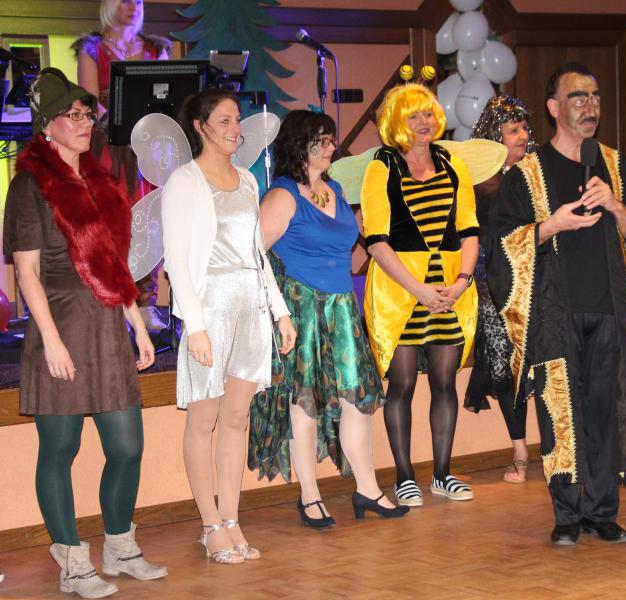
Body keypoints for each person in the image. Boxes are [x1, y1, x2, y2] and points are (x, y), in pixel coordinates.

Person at [487, 62, 626, 545]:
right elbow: (500, 246)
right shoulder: (527, 175)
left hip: (610, 308)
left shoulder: (615, 166)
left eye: (595, 97)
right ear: (553, 107)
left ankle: (602, 512)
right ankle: (567, 516)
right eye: (578, 97)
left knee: (606, 411)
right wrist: (552, 225)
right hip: (555, 313)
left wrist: (615, 206)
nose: (590, 106)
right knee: (560, 413)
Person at [3, 68, 165, 598]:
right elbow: (26, 273)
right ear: (46, 125)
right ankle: (72, 560)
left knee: (127, 446)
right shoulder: (30, 184)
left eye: (87, 114)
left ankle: (119, 546)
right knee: (60, 449)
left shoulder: (99, 182)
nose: (83, 122)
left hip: (107, 328)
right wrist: (50, 341)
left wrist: (138, 323)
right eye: (71, 114)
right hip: (61, 326)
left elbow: (115, 264)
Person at [248, 109, 408, 525]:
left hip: (341, 308)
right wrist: (278, 313)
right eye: (320, 140)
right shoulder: (283, 195)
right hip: (302, 309)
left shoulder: (334, 188)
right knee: (305, 404)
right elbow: (253, 257)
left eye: (331, 139)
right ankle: (309, 496)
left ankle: (367, 489)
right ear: (298, 145)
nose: (330, 147)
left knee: (358, 400)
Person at [162, 88, 296, 564]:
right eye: (224, 120)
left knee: (237, 418)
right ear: (200, 127)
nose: (235, 129)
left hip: (250, 307)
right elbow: (177, 259)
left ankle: (232, 519)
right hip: (210, 308)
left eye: (236, 120)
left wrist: (280, 311)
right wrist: (194, 325)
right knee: (204, 420)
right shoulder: (184, 181)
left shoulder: (247, 180)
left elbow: (256, 253)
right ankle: (210, 524)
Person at [361, 83, 479, 506]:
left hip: (449, 287)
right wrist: (418, 290)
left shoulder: (451, 163)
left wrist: (461, 281)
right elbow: (376, 241)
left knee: (445, 381)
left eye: (428, 113)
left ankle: (443, 473)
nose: (424, 122)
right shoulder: (382, 166)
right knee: (403, 384)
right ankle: (405, 476)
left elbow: (470, 229)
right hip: (400, 290)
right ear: (397, 121)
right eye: (413, 116)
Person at [73, 0, 171, 328]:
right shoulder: (92, 49)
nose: (134, 6)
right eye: (126, 0)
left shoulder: (156, 49)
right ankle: (114, 305)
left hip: (149, 149)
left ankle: (145, 303)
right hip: (109, 146)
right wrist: (123, 127)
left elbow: (167, 98)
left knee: (150, 222)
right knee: (113, 222)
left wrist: (148, 134)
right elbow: (89, 102)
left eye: (139, 1)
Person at [464, 95, 536, 484]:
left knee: (544, 364)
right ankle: (519, 451)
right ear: (495, 137)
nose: (522, 136)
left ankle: (559, 449)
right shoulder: (477, 184)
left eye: (524, 128)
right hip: (494, 285)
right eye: (512, 130)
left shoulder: (539, 173)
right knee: (505, 366)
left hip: (539, 282)